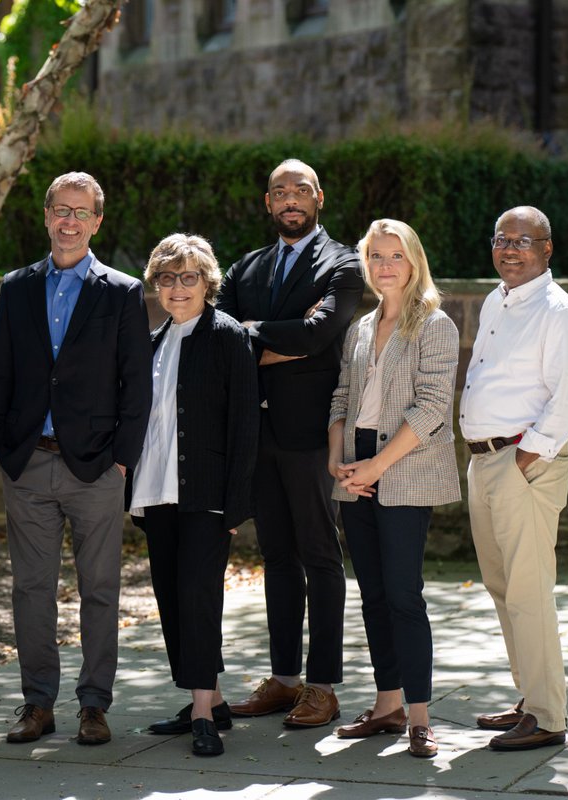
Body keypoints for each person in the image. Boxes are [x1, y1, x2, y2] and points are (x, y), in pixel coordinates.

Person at [0, 171, 153, 746]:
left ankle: (94, 704)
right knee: (30, 589)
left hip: (97, 467)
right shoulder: (16, 287)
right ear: (46, 215)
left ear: (97, 223)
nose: (69, 221)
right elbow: (2, 373)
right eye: (61, 209)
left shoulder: (122, 291)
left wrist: (122, 462)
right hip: (29, 463)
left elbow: (137, 386)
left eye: (81, 213)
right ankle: (37, 703)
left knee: (100, 589)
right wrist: (2, 450)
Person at [215, 159, 364, 727]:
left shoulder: (344, 264)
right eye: (280, 192)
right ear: (267, 202)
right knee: (275, 558)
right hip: (258, 433)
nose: (291, 200)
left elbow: (320, 333)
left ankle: (322, 687)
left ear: (319, 197)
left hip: (310, 435)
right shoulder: (245, 268)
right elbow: (220, 332)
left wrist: (254, 334)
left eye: (301, 190)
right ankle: (283, 680)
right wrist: (275, 341)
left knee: (320, 556)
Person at [326, 219, 459, 758]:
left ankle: (421, 717)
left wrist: (377, 464)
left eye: (395, 256)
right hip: (355, 471)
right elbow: (341, 396)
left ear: (414, 261)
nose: (385, 265)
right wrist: (338, 457)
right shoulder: (360, 327)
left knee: (404, 595)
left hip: (401, 469)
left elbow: (431, 408)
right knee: (374, 595)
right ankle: (387, 706)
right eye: (376, 256)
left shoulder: (435, 325)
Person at [461, 206, 568, 751]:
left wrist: (525, 459)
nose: (510, 249)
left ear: (547, 248)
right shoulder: (498, 298)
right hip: (484, 460)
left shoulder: (559, 312)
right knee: (502, 587)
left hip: (522, 463)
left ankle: (547, 715)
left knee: (529, 592)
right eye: (501, 239)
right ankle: (529, 699)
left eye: (523, 240)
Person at [129, 234, 259, 757]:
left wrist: (235, 504)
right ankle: (213, 698)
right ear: (155, 285)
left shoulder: (227, 336)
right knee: (172, 598)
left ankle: (203, 714)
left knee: (199, 597)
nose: (177, 288)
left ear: (208, 281)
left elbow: (245, 425)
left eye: (188, 278)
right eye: (167, 278)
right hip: (156, 493)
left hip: (206, 497)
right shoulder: (154, 341)